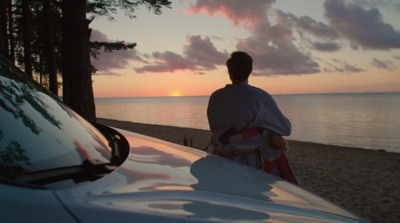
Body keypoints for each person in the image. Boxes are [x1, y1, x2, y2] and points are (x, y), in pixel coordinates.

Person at [207, 51, 298, 184]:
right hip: (251, 165)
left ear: (229, 70)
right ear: (250, 70)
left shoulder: (216, 97)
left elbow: (213, 128)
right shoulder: (259, 97)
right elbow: (286, 129)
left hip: (220, 160)